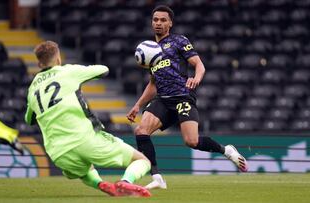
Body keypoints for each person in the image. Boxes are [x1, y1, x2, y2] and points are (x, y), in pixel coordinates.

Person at [126, 5, 249, 190]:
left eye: (163, 20)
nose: (158, 23)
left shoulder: (178, 41)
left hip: (183, 98)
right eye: (155, 20)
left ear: (170, 23)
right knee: (141, 131)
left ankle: (226, 150)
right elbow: (153, 83)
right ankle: (157, 177)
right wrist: (137, 105)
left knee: (191, 141)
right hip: (163, 100)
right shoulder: (151, 50)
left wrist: (196, 79)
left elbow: (199, 64)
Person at [24, 41, 151, 197]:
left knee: (84, 170)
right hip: (85, 140)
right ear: (58, 59)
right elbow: (103, 70)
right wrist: (78, 74)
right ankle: (126, 182)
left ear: (38, 63)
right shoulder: (68, 71)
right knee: (142, 160)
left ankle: (101, 184)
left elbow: (29, 119)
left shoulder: (32, 89)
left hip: (58, 152)